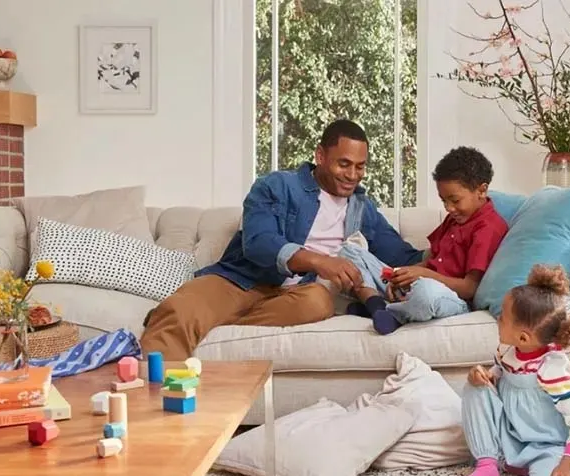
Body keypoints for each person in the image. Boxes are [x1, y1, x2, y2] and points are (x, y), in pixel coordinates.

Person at [140, 119, 425, 360]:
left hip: (296, 296)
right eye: (344, 164)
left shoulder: (363, 208)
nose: (352, 175)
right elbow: (259, 242)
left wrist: (457, 246)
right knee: (182, 311)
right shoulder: (276, 185)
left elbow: (403, 256)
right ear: (320, 156)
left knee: (318, 303)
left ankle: (209, 323)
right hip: (242, 280)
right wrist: (320, 261)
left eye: (360, 167)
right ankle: (150, 405)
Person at [452, 264, 570, 476]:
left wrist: (568, 464)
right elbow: (501, 375)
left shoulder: (554, 370)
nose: (498, 318)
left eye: (503, 317)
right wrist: (485, 374)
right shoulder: (508, 351)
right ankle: (487, 466)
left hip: (547, 447)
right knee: (474, 387)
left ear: (524, 337)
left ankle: (533, 472)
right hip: (511, 435)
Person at [336, 146, 509, 335]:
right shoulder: (455, 219)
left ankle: (393, 314)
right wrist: (402, 277)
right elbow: (432, 261)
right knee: (349, 251)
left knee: (426, 295)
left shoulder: (488, 228)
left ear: (481, 190)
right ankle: (376, 305)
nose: (449, 208)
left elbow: (469, 288)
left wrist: (423, 275)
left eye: (455, 200)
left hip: (450, 298)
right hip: (419, 284)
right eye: (444, 201)